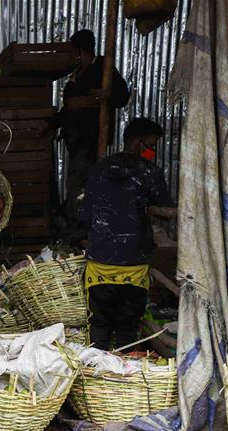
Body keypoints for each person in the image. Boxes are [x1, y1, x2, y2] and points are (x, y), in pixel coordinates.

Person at [78, 117, 172, 351]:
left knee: (98, 326)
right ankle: (125, 369)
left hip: (100, 263)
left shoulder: (98, 169)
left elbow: (83, 215)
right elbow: (167, 211)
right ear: (138, 142)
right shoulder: (150, 172)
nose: (153, 151)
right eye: (151, 145)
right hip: (134, 264)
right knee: (128, 329)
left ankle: (95, 368)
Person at [53, 29, 131, 236]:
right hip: (76, 141)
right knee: (77, 184)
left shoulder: (103, 68)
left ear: (79, 51)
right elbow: (68, 107)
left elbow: (122, 97)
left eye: (72, 51)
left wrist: (104, 96)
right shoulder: (78, 73)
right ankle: (78, 229)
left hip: (90, 139)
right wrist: (52, 124)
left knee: (82, 185)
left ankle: (80, 232)